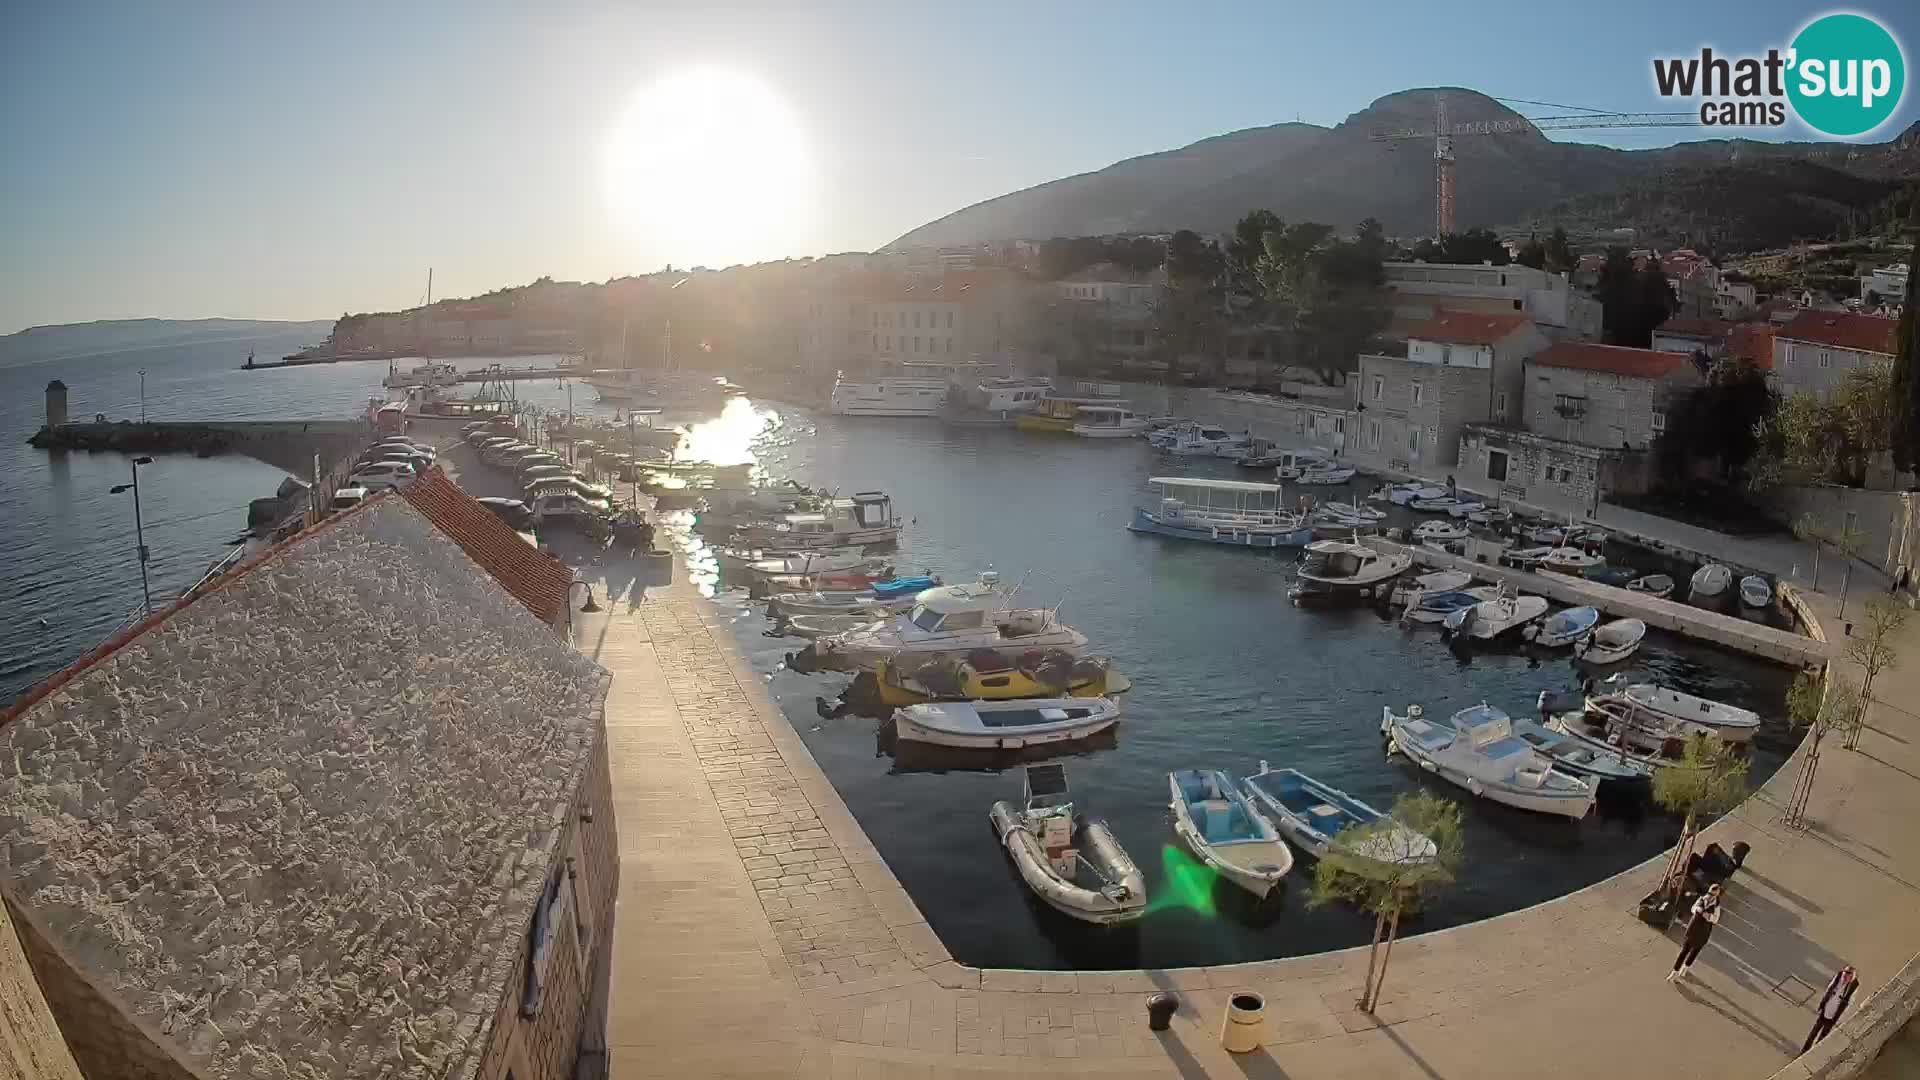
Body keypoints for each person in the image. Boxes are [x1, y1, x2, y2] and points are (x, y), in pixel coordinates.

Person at [1668, 883, 1723, 981]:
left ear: (1717, 895)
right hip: (1693, 928)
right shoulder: (1702, 899)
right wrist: (1698, 909)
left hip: (1704, 931)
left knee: (1694, 951)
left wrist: (1709, 917)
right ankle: (1674, 971)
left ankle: (1685, 968)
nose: (1710, 896)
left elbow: (1716, 920)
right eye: (1710, 893)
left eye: (1713, 895)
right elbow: (1693, 908)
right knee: (1684, 951)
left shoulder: (1716, 907)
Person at [1803, 966, 1859, 1052]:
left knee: (1823, 1036)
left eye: (1848, 973)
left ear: (1852, 976)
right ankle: (1805, 1049)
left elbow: (1849, 1003)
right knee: (1814, 1031)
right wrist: (1822, 1003)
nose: (1845, 974)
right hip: (1826, 1009)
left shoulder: (1853, 986)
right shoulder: (1839, 976)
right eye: (1845, 971)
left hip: (1834, 1016)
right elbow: (1829, 989)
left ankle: (1815, 1051)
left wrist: (1839, 1017)